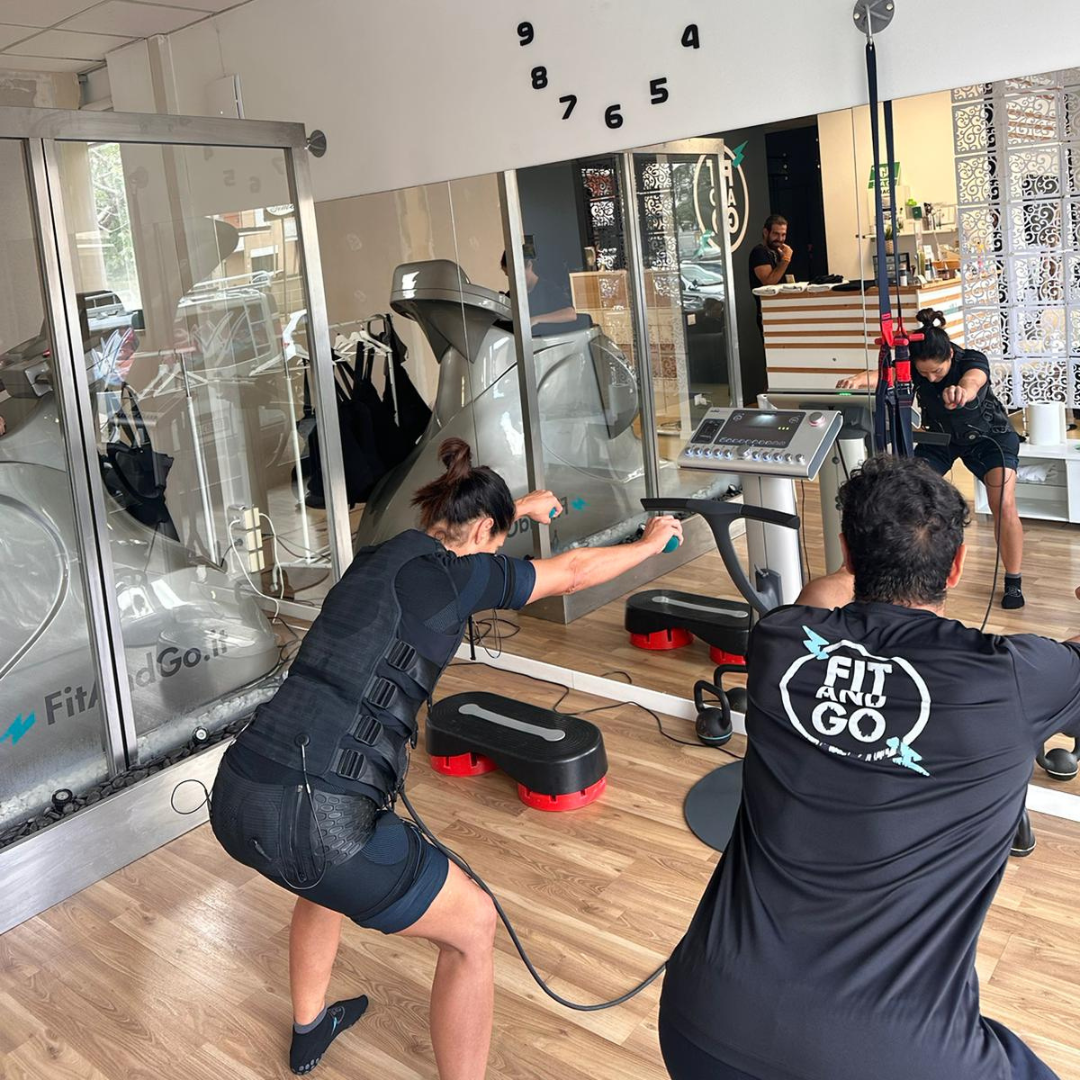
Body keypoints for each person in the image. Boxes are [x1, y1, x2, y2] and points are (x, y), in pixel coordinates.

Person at [209, 437, 682, 1079]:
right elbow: (570, 572)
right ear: (482, 532)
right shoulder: (459, 576)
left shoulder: (378, 557)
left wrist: (518, 509)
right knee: (473, 926)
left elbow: (459, 533)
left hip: (239, 792)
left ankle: (309, 1025)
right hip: (320, 822)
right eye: (496, 540)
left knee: (317, 885)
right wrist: (650, 543)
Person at [659, 454, 1077, 1080]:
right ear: (957, 566)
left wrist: (863, 555)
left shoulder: (779, 642)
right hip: (894, 1055)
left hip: (703, 1019)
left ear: (849, 556)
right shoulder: (1018, 676)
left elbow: (819, 603)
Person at [837, 307, 1024, 608]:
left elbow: (974, 381)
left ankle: (1013, 582)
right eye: (924, 373)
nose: (931, 377)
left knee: (1002, 503)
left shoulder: (971, 359)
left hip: (989, 439)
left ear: (949, 354)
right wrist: (857, 379)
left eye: (937, 371)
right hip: (940, 441)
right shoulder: (916, 366)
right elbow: (884, 376)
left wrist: (961, 391)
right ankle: (906, 572)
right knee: (907, 495)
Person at [499, 250, 578, 329]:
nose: (513, 279)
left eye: (515, 274)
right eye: (509, 276)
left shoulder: (548, 288)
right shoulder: (513, 294)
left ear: (529, 265)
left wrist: (536, 319)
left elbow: (571, 314)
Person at [748, 215, 793, 335]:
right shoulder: (759, 252)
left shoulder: (777, 252)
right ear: (765, 232)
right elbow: (768, 282)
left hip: (781, 311)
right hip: (768, 314)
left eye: (783, 235)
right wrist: (786, 260)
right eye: (776, 234)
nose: (780, 239)